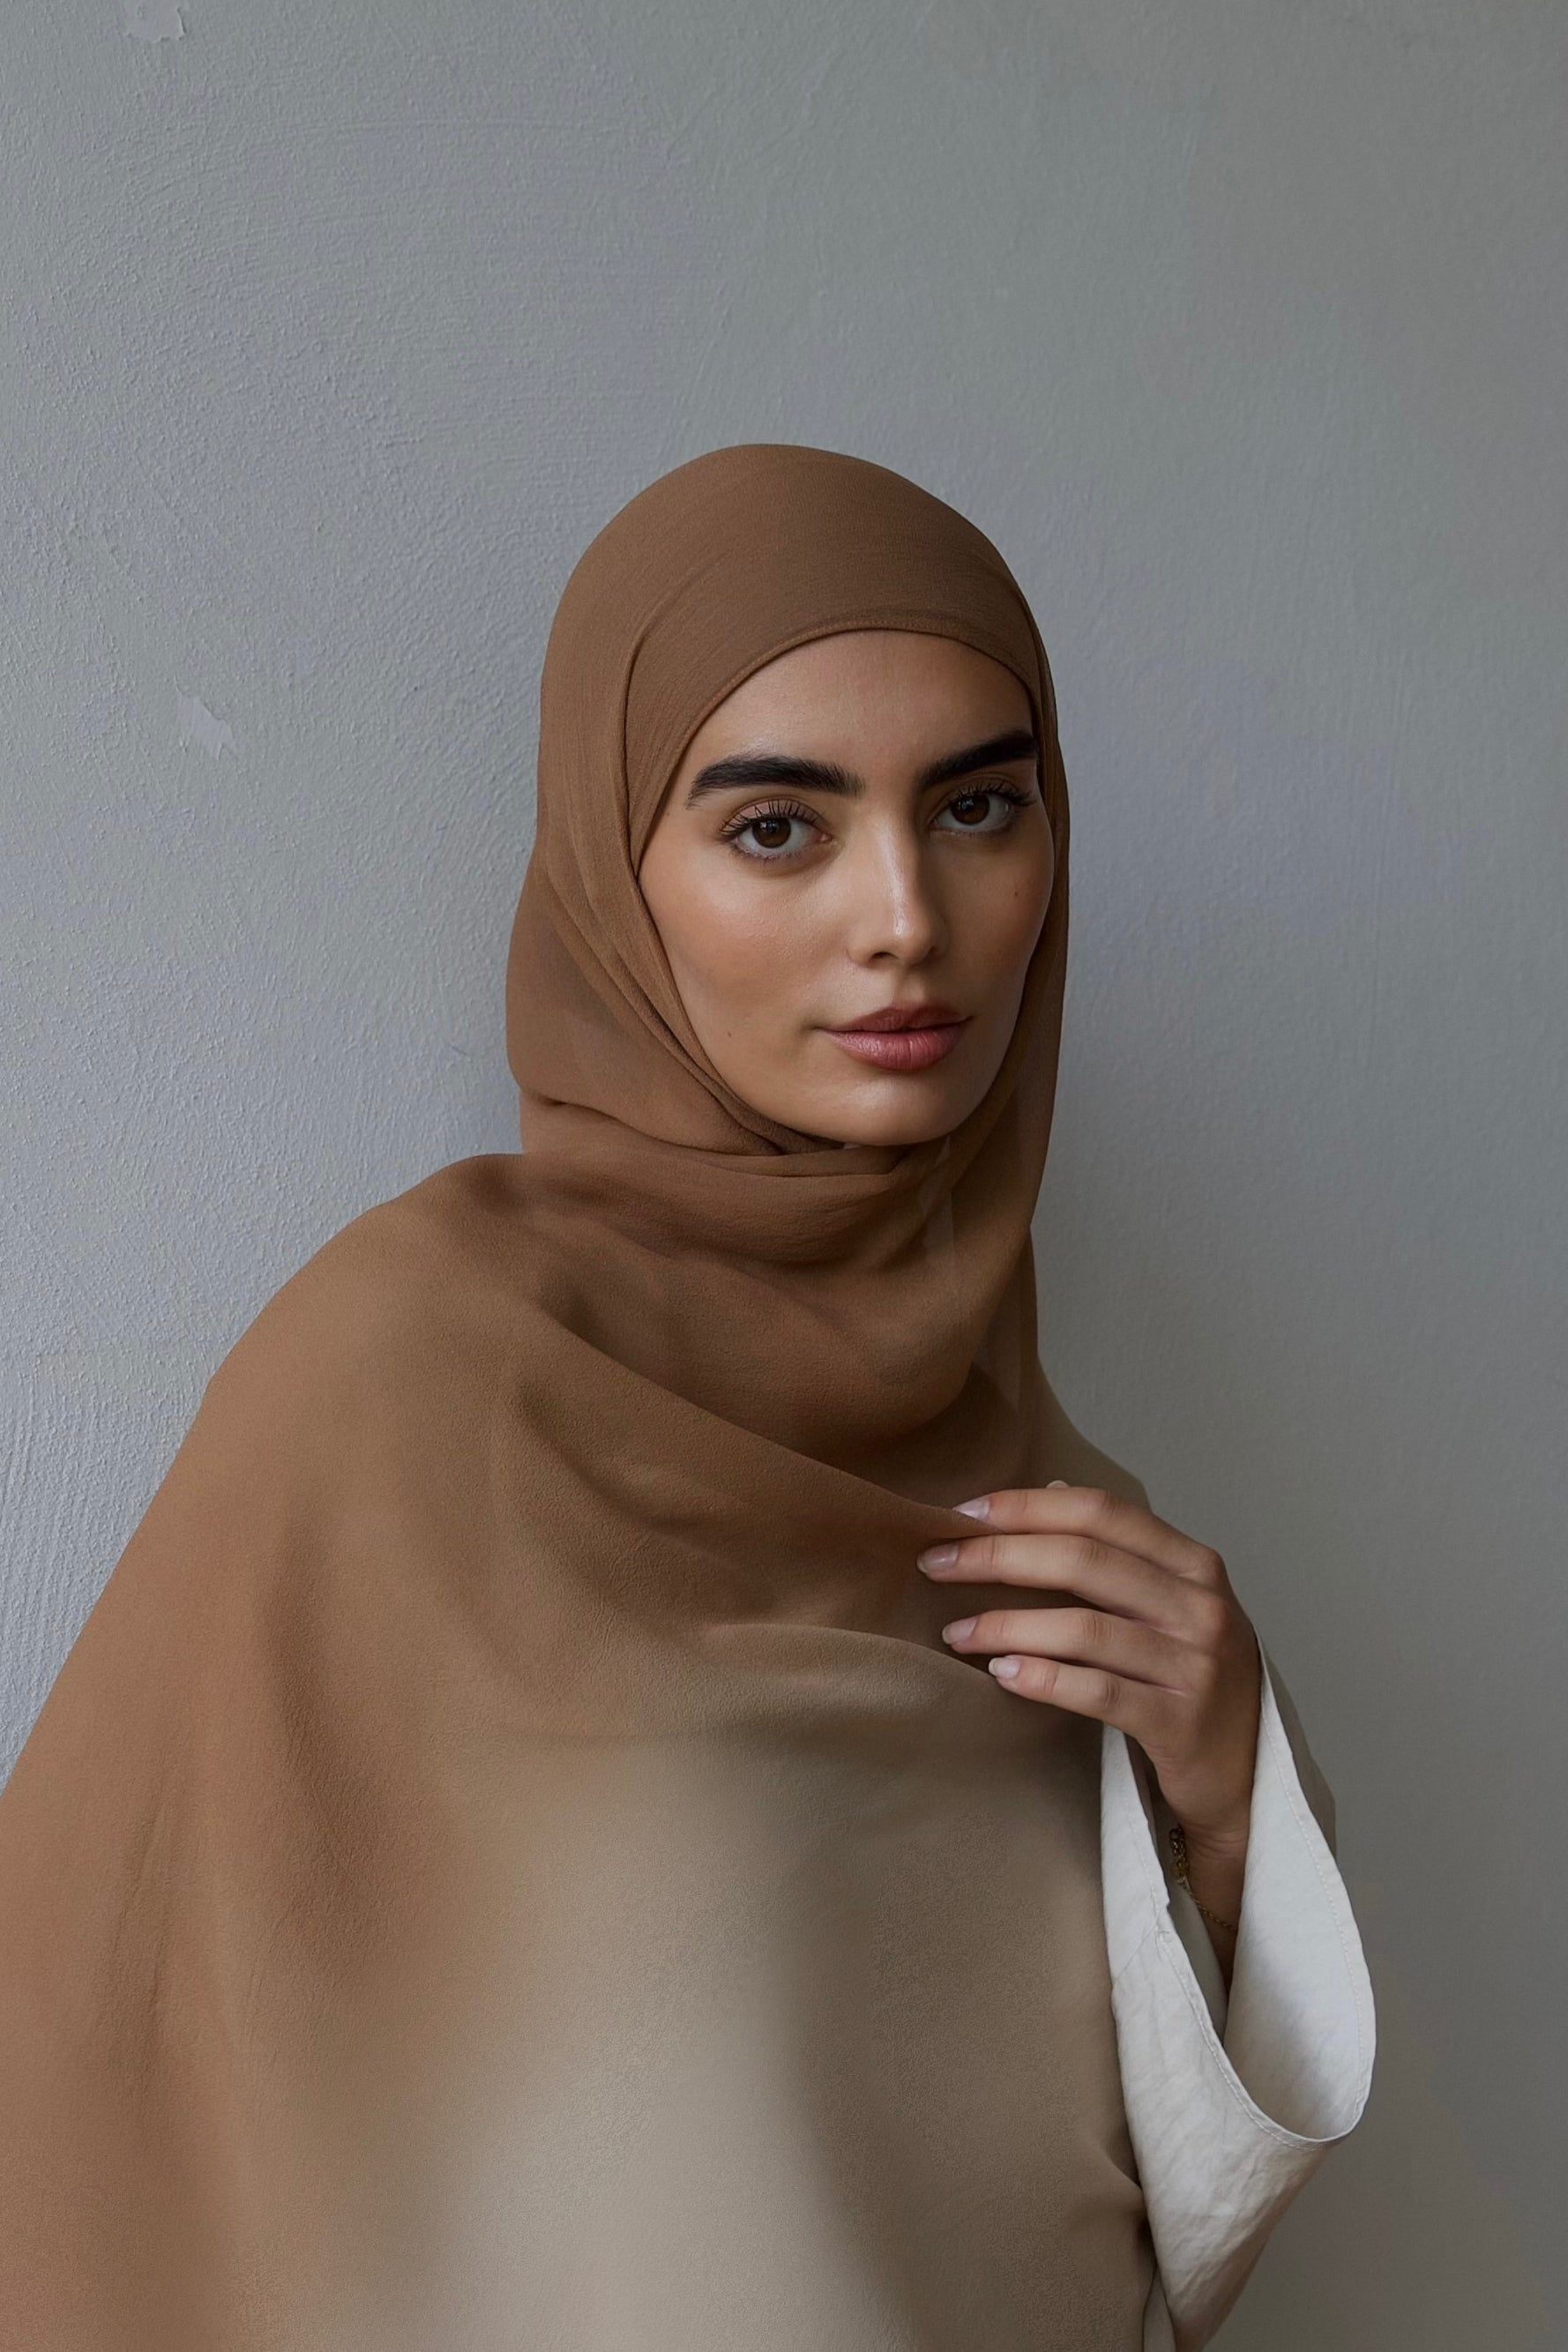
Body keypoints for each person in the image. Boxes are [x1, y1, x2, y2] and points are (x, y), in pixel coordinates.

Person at [0, 443, 1373, 2350]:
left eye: (978, 805)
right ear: (608, 876)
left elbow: (1156, 2225)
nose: (906, 913)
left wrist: (1224, 1802)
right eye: (777, 826)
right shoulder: (408, 1382)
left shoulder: (1066, 1535)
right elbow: (106, 2075)